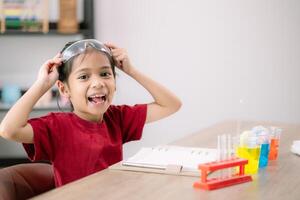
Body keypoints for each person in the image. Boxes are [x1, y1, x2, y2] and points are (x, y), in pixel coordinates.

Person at [0, 39, 181, 187]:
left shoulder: (117, 118)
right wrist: (42, 84)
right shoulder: (56, 127)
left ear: (115, 82)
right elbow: (8, 129)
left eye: (105, 74)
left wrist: (131, 71)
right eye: (84, 77)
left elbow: (171, 104)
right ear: (64, 89)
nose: (97, 83)